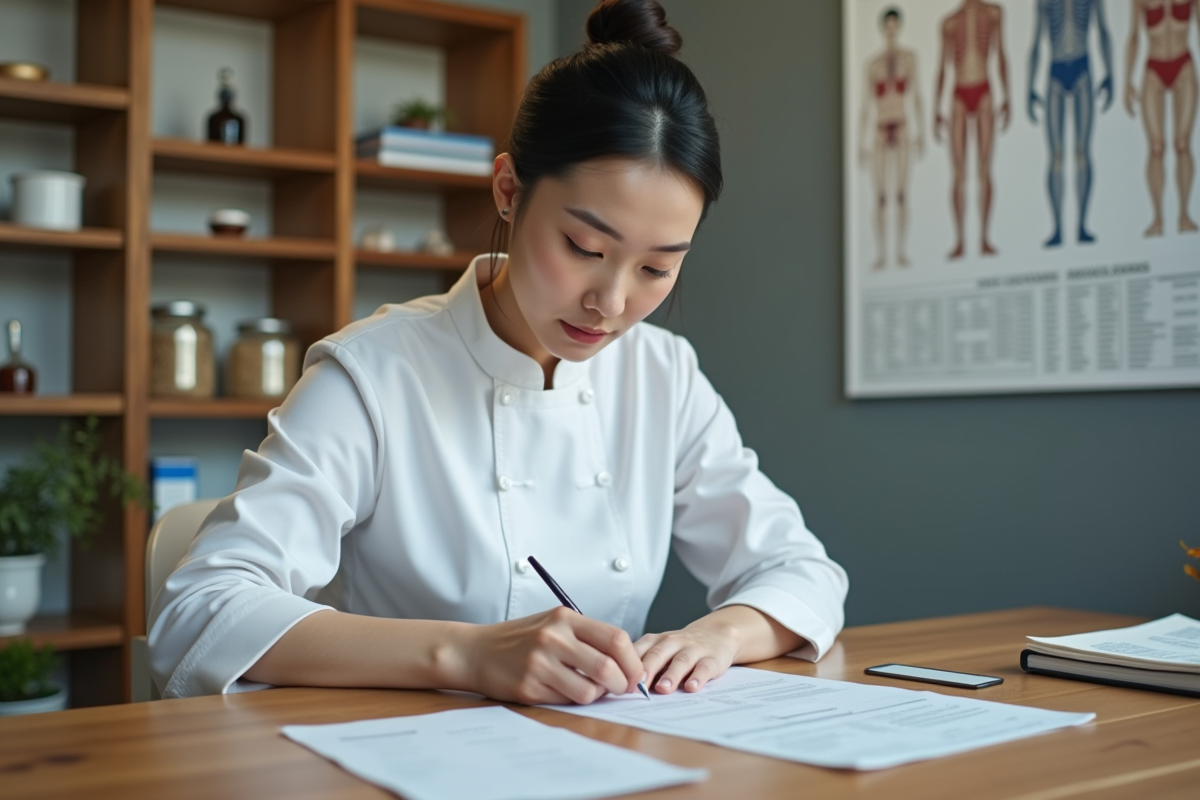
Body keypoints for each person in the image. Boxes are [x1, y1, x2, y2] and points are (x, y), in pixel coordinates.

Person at [148, 0, 848, 705]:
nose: (609, 302)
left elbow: (802, 571)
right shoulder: (372, 374)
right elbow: (199, 610)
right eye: (583, 248)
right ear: (509, 191)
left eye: (656, 269)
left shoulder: (662, 377)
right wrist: (465, 653)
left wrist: (720, 635)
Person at [1028, 0, 1114, 247]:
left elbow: (1104, 32)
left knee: (1082, 152)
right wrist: (1029, 88)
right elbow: (1035, 43)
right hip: (1055, 70)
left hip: (1082, 66)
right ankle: (1057, 229)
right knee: (1056, 155)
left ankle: (1081, 227)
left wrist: (1110, 74)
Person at [933, 0, 1011, 260]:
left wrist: (1007, 96)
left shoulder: (993, 13)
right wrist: (935, 108)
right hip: (958, 94)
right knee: (958, 173)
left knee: (984, 168)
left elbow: (1001, 54)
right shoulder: (949, 22)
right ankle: (960, 241)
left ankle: (984, 238)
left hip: (984, 90)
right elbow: (941, 67)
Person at [1124, 0, 1198, 236]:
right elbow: (1133, 36)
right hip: (1154, 67)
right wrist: (1127, 81)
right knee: (1156, 147)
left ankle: (1184, 215)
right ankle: (1158, 218)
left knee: (1182, 144)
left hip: (1183, 64)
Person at [859, 6, 924, 270]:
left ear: (898, 27)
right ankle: (881, 254)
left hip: (903, 126)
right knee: (881, 197)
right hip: (879, 129)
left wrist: (922, 132)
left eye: (894, 26)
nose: (891, 31)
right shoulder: (872, 65)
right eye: (887, 26)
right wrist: (859, 143)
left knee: (901, 194)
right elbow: (865, 105)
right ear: (883, 28)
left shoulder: (909, 58)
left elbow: (917, 95)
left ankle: (900, 251)